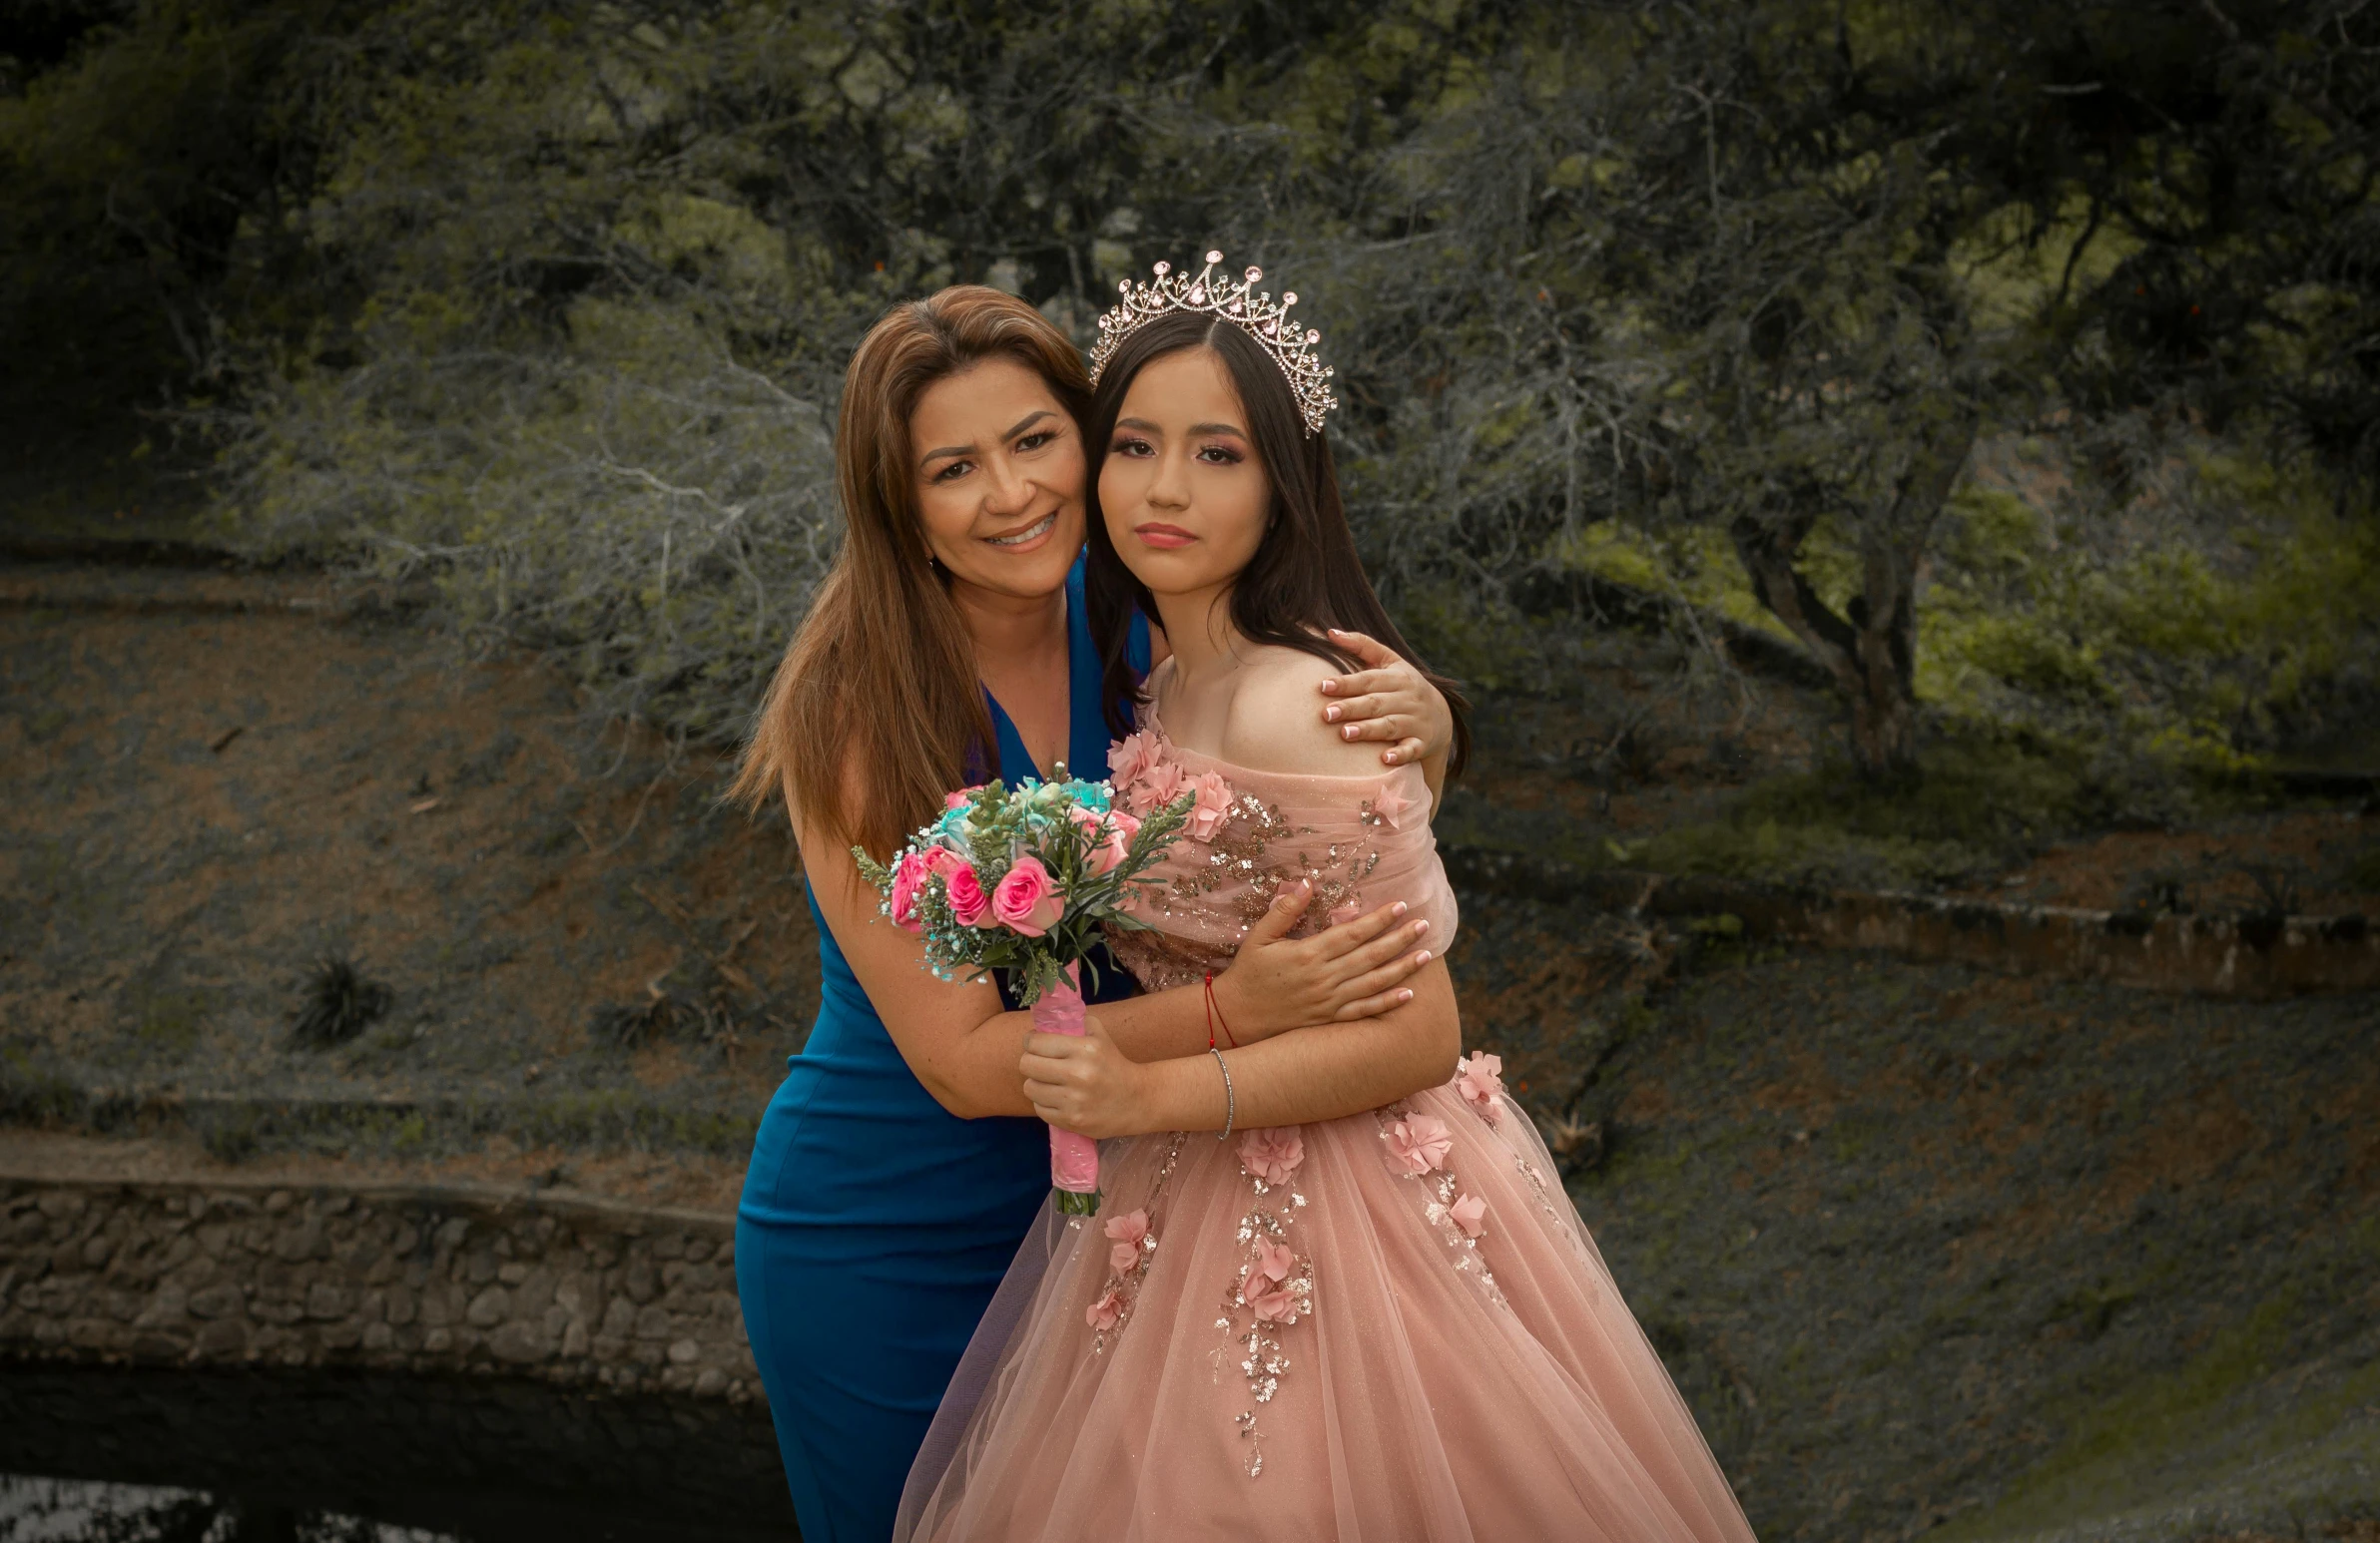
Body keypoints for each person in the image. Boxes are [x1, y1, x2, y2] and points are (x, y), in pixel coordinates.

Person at [893, 258, 1760, 1542]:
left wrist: (1149, 1094)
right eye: (1133, 444)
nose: (1166, 487)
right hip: (1178, 1197)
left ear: (1283, 484)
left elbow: (1416, 1033)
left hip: (1339, 1212)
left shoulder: (1295, 699)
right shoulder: (1167, 679)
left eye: (1218, 453)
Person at [727, 284, 1464, 1543]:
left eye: (1033, 440)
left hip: (1133, 1191)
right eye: (953, 468)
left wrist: (1437, 732)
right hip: (894, 1227)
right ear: (894, 500)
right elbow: (961, 1063)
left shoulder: (1137, 621)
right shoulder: (859, 711)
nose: (1010, 494)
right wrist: (1231, 1014)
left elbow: (1303, 809)